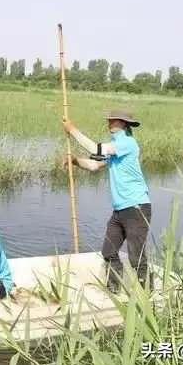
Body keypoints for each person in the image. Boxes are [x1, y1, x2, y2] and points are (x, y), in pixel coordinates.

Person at [61, 108, 152, 294]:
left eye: (115, 120)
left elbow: (95, 149)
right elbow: (94, 165)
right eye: (110, 120)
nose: (110, 122)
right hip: (119, 211)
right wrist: (76, 161)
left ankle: (147, 295)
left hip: (136, 207)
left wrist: (73, 130)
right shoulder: (115, 146)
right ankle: (114, 291)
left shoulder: (128, 143)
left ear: (124, 124)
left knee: (137, 257)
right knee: (109, 252)